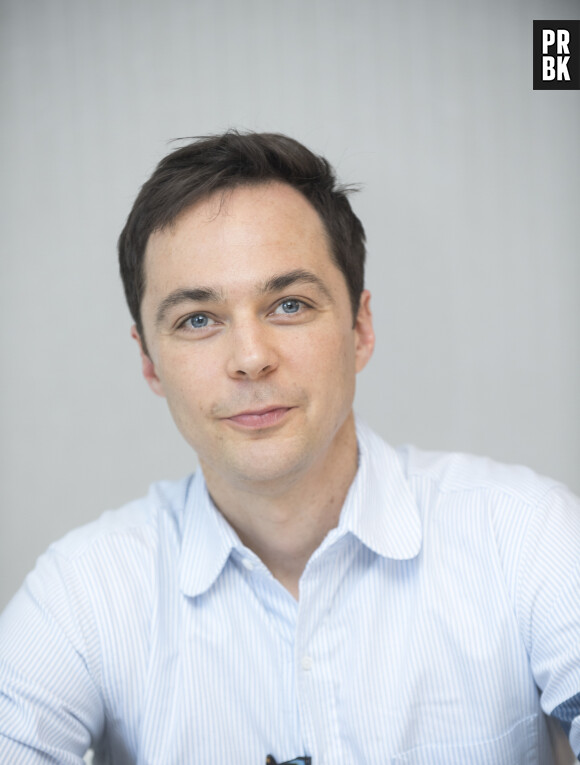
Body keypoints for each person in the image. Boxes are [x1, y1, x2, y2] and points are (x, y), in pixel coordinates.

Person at [0, 131, 578, 764]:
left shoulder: (528, 536)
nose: (250, 359)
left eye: (289, 305)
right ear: (148, 362)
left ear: (360, 328)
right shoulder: (83, 593)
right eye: (198, 319)